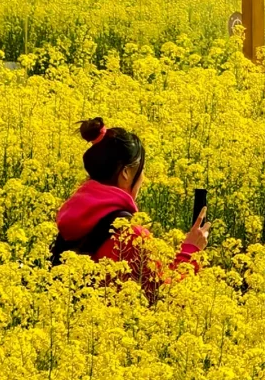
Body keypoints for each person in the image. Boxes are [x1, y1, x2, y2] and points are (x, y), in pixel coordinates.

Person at [51, 117, 209, 302]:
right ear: (125, 172)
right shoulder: (130, 237)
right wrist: (190, 250)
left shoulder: (72, 218)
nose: (143, 178)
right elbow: (166, 296)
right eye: (141, 170)